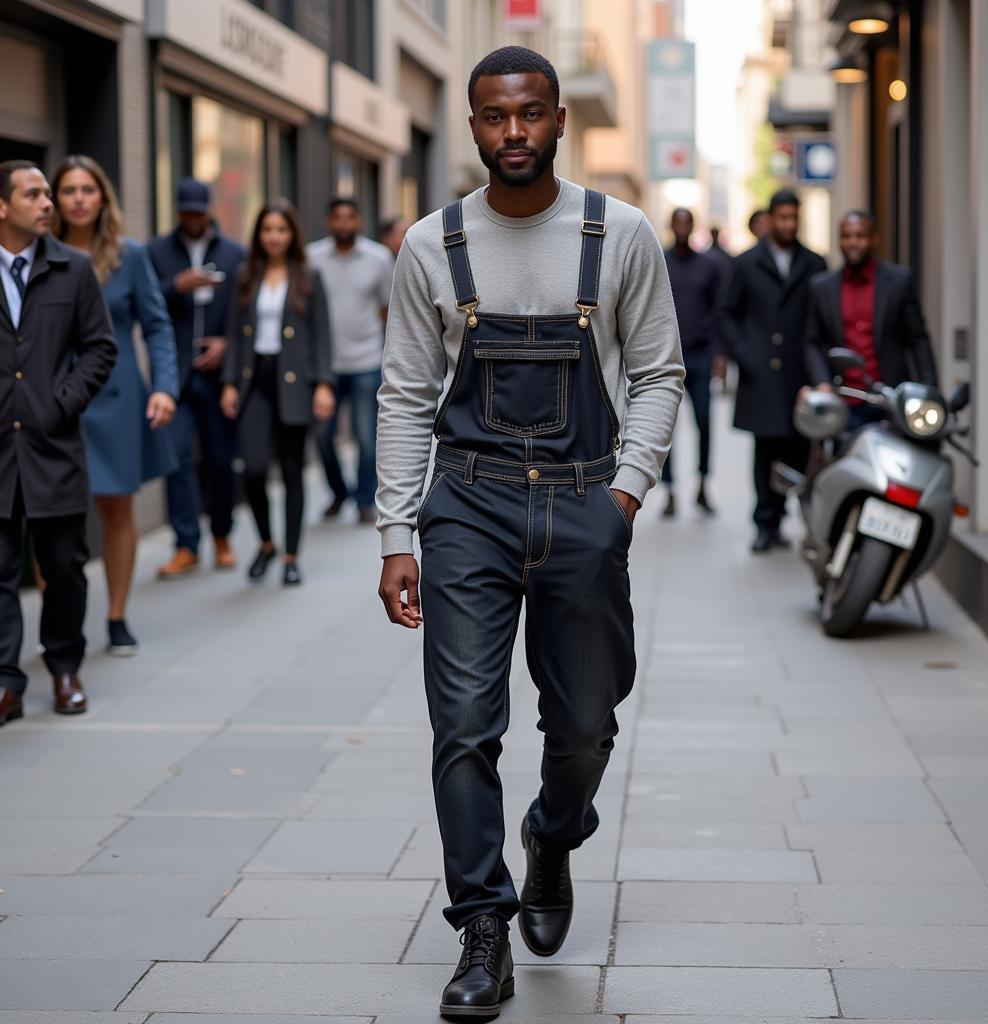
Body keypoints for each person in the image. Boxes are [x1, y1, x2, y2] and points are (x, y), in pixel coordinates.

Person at [376, 47, 684, 1020]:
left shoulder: (618, 231)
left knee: (585, 723)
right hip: (465, 504)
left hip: (585, 501)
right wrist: (396, 531)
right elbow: (403, 394)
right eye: (495, 117)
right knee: (464, 724)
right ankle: (480, 928)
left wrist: (624, 498)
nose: (514, 132)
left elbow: (658, 372)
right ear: (471, 127)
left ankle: (553, 832)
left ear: (558, 121)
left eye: (531, 114)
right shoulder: (431, 245)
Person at [0, 160, 116, 723]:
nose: (47, 202)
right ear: (3, 206)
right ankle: (5, 682)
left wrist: (61, 401)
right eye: (34, 193)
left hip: (52, 447)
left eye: (49, 192)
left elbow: (100, 348)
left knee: (65, 568)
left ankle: (65, 668)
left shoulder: (72, 269)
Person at [51, 155, 179, 656]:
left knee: (117, 509)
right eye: (69, 190)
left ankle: (117, 614)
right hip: (53, 396)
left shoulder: (129, 255)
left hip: (119, 394)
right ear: (55, 200)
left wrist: (164, 386)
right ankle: (61, 620)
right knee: (50, 515)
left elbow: (157, 325)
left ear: (103, 197)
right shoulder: (40, 254)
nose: (79, 198)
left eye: (88, 189)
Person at [221, 200, 334, 587]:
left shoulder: (307, 275)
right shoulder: (244, 276)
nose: (274, 236)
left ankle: (290, 555)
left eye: (281, 230)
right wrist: (229, 384)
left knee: (291, 472)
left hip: (296, 382)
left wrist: (322, 384)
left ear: (292, 235)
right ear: (258, 235)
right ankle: (266, 542)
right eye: (267, 230)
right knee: (252, 468)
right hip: (255, 381)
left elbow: (321, 333)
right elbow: (235, 334)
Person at [148, 178, 246, 577]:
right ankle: (186, 544)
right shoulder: (156, 252)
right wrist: (177, 286)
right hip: (175, 377)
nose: (191, 217)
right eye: (185, 211)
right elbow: (147, 301)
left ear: (209, 211)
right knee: (176, 459)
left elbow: (247, 313)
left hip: (219, 378)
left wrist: (227, 344)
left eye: (197, 211)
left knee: (221, 461)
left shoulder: (234, 254)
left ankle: (221, 536)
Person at [721, 188, 826, 553]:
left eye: (794, 218)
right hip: (761, 374)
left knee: (799, 448)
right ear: (770, 219)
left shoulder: (814, 263)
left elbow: (822, 318)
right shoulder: (747, 262)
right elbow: (727, 313)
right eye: (782, 217)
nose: (788, 224)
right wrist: (744, 355)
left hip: (800, 374)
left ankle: (787, 518)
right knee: (765, 450)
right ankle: (765, 523)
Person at [803, 210, 939, 429]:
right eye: (846, 237)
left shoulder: (898, 281)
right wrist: (822, 382)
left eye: (859, 236)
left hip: (892, 399)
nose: (852, 243)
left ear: (874, 239)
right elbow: (811, 341)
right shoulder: (822, 287)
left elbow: (918, 340)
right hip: (844, 403)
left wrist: (929, 392)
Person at [307, 198, 394, 523]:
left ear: (359, 220)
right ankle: (339, 491)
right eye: (337, 218)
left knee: (365, 438)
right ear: (329, 221)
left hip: (366, 361)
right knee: (322, 436)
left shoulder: (378, 258)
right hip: (325, 366)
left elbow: (388, 310)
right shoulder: (313, 258)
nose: (343, 224)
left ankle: (362, 499)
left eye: (349, 217)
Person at [661, 208, 723, 518]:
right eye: (678, 222)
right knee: (665, 428)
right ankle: (669, 490)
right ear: (671, 226)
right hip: (667, 358)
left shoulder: (708, 266)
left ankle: (702, 486)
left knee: (704, 423)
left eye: (687, 223)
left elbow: (718, 312)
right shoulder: (660, 262)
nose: (683, 227)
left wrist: (719, 354)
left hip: (700, 356)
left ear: (693, 227)